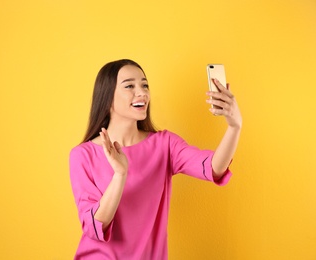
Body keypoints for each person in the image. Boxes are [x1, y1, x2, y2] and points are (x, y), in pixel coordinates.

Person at [69, 59, 242, 259]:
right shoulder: (83, 155)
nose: (142, 92)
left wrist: (234, 127)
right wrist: (120, 174)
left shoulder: (164, 144)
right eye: (129, 86)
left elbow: (213, 168)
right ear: (107, 98)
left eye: (144, 85)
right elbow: (94, 226)